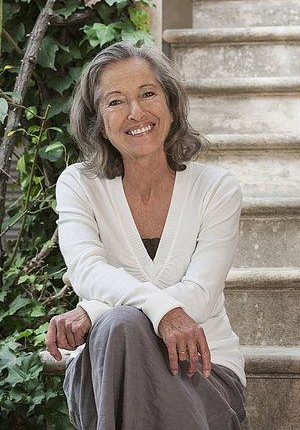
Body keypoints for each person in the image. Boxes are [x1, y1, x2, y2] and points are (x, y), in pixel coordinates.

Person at [45, 41, 246, 430]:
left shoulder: (216, 188)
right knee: (121, 329)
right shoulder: (78, 185)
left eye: (148, 93)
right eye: (116, 101)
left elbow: (200, 297)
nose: (136, 112)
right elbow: (86, 270)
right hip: (107, 373)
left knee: (117, 320)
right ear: (97, 121)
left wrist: (96, 311)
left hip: (202, 368)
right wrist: (150, 311)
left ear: (170, 104)